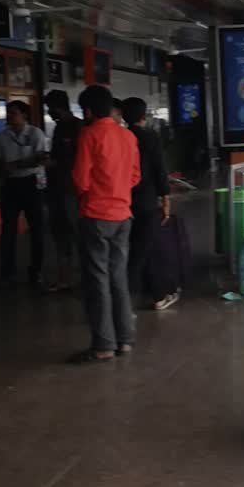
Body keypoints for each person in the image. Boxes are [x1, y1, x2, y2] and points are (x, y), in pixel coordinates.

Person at [70, 85, 140, 363]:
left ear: (87, 110)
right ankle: (125, 340)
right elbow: (135, 176)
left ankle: (104, 345)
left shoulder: (89, 134)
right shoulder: (128, 136)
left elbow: (80, 180)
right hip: (123, 215)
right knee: (118, 278)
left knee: (97, 281)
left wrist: (93, 192)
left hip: (97, 216)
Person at [124, 97, 173, 309]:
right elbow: (159, 169)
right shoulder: (149, 136)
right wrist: (165, 197)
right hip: (145, 199)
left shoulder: (121, 136)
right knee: (139, 252)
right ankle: (122, 301)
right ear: (144, 116)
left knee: (145, 246)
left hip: (123, 199)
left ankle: (158, 295)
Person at [0, 100, 48, 286]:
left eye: (14, 113)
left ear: (24, 115)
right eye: (8, 113)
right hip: (11, 184)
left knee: (37, 230)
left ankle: (36, 271)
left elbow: (41, 159)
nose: (9, 116)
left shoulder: (35, 133)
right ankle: (8, 272)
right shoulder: (3, 136)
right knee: (8, 230)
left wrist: (18, 164)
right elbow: (1, 162)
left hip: (32, 184)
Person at [44, 90, 84, 293]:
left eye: (50, 108)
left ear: (59, 107)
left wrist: (55, 162)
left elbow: (78, 160)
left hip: (72, 191)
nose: (49, 113)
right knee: (60, 234)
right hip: (57, 190)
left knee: (77, 233)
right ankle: (64, 278)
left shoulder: (77, 127)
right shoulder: (59, 128)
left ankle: (85, 278)